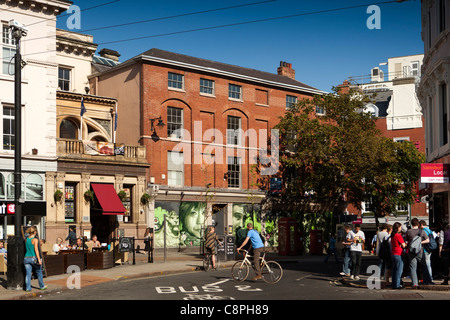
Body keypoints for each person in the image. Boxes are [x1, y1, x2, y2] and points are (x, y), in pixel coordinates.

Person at [406, 218, 432, 287]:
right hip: (420, 251)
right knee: (424, 266)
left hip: (411, 251)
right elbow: (428, 240)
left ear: (411, 224)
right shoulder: (422, 231)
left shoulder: (408, 231)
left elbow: (406, 241)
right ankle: (427, 281)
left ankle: (414, 283)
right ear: (418, 224)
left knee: (413, 267)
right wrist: (420, 243)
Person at [24, 227, 47, 292]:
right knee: (39, 272)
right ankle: (42, 286)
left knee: (28, 274)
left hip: (26, 258)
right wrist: (39, 259)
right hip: (33, 257)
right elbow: (36, 250)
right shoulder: (35, 240)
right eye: (36, 232)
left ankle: (28, 288)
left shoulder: (26, 239)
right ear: (34, 232)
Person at [391, 222, 406, 289]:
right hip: (399, 253)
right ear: (397, 228)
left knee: (394, 270)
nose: (401, 228)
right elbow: (403, 245)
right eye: (400, 227)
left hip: (393, 253)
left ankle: (393, 283)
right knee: (399, 270)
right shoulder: (398, 235)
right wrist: (405, 244)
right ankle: (397, 285)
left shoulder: (392, 235)